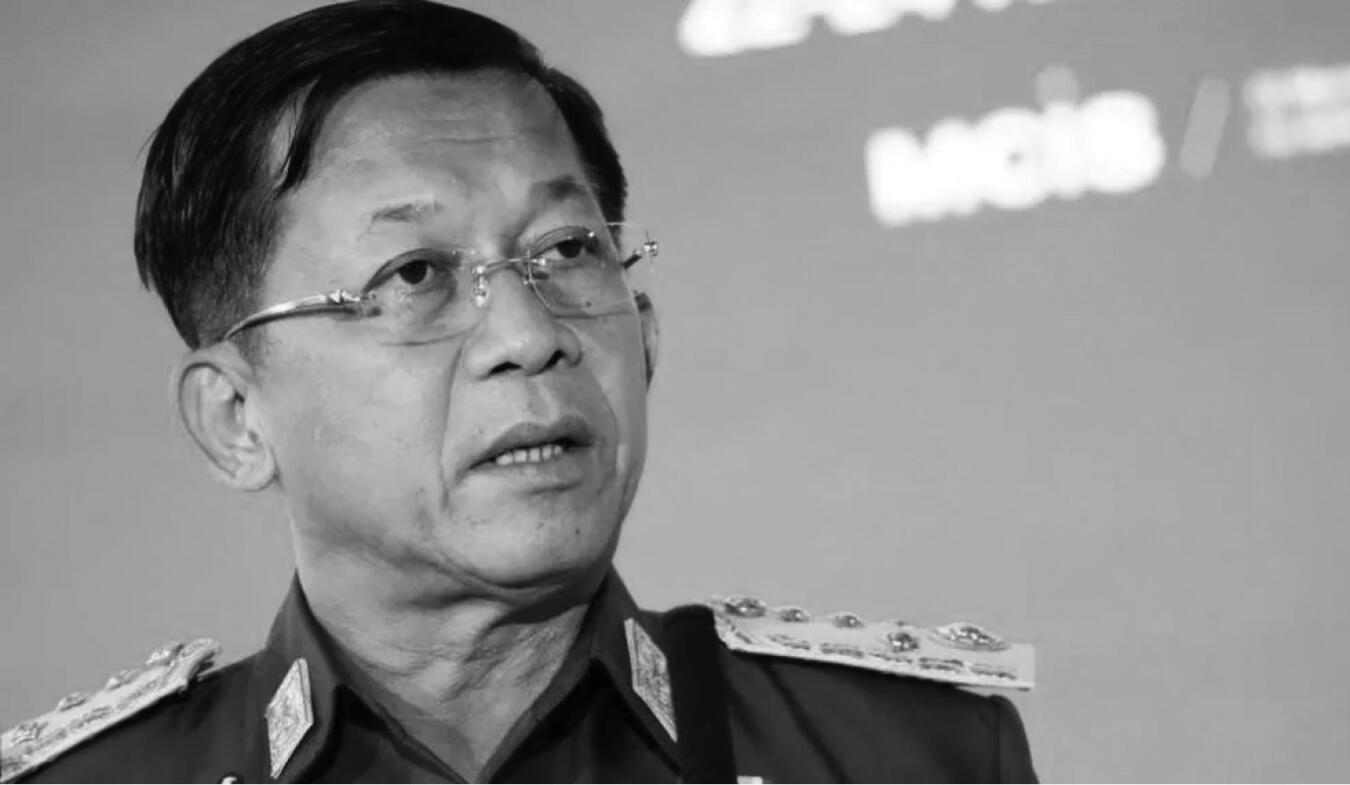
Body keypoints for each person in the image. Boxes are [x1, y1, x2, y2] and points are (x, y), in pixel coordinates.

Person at [0, 1, 1038, 781]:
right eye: (415, 273)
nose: (530, 336)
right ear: (235, 419)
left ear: (646, 335)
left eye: (567, 250)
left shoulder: (907, 751)